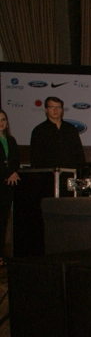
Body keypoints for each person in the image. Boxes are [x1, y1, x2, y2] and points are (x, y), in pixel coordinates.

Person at [30, 96, 85, 170]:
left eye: (58, 107)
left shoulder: (71, 129)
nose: (55, 110)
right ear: (46, 109)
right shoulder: (39, 131)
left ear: (62, 110)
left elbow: (79, 154)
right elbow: (35, 158)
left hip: (70, 174)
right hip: (48, 174)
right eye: (52, 107)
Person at [0, 110, 19, 266]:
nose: (1, 123)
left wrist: (12, 172)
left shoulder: (11, 140)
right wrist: (8, 173)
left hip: (8, 186)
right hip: (1, 180)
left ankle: (2, 254)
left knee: (3, 220)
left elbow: (15, 160)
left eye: (3, 119)